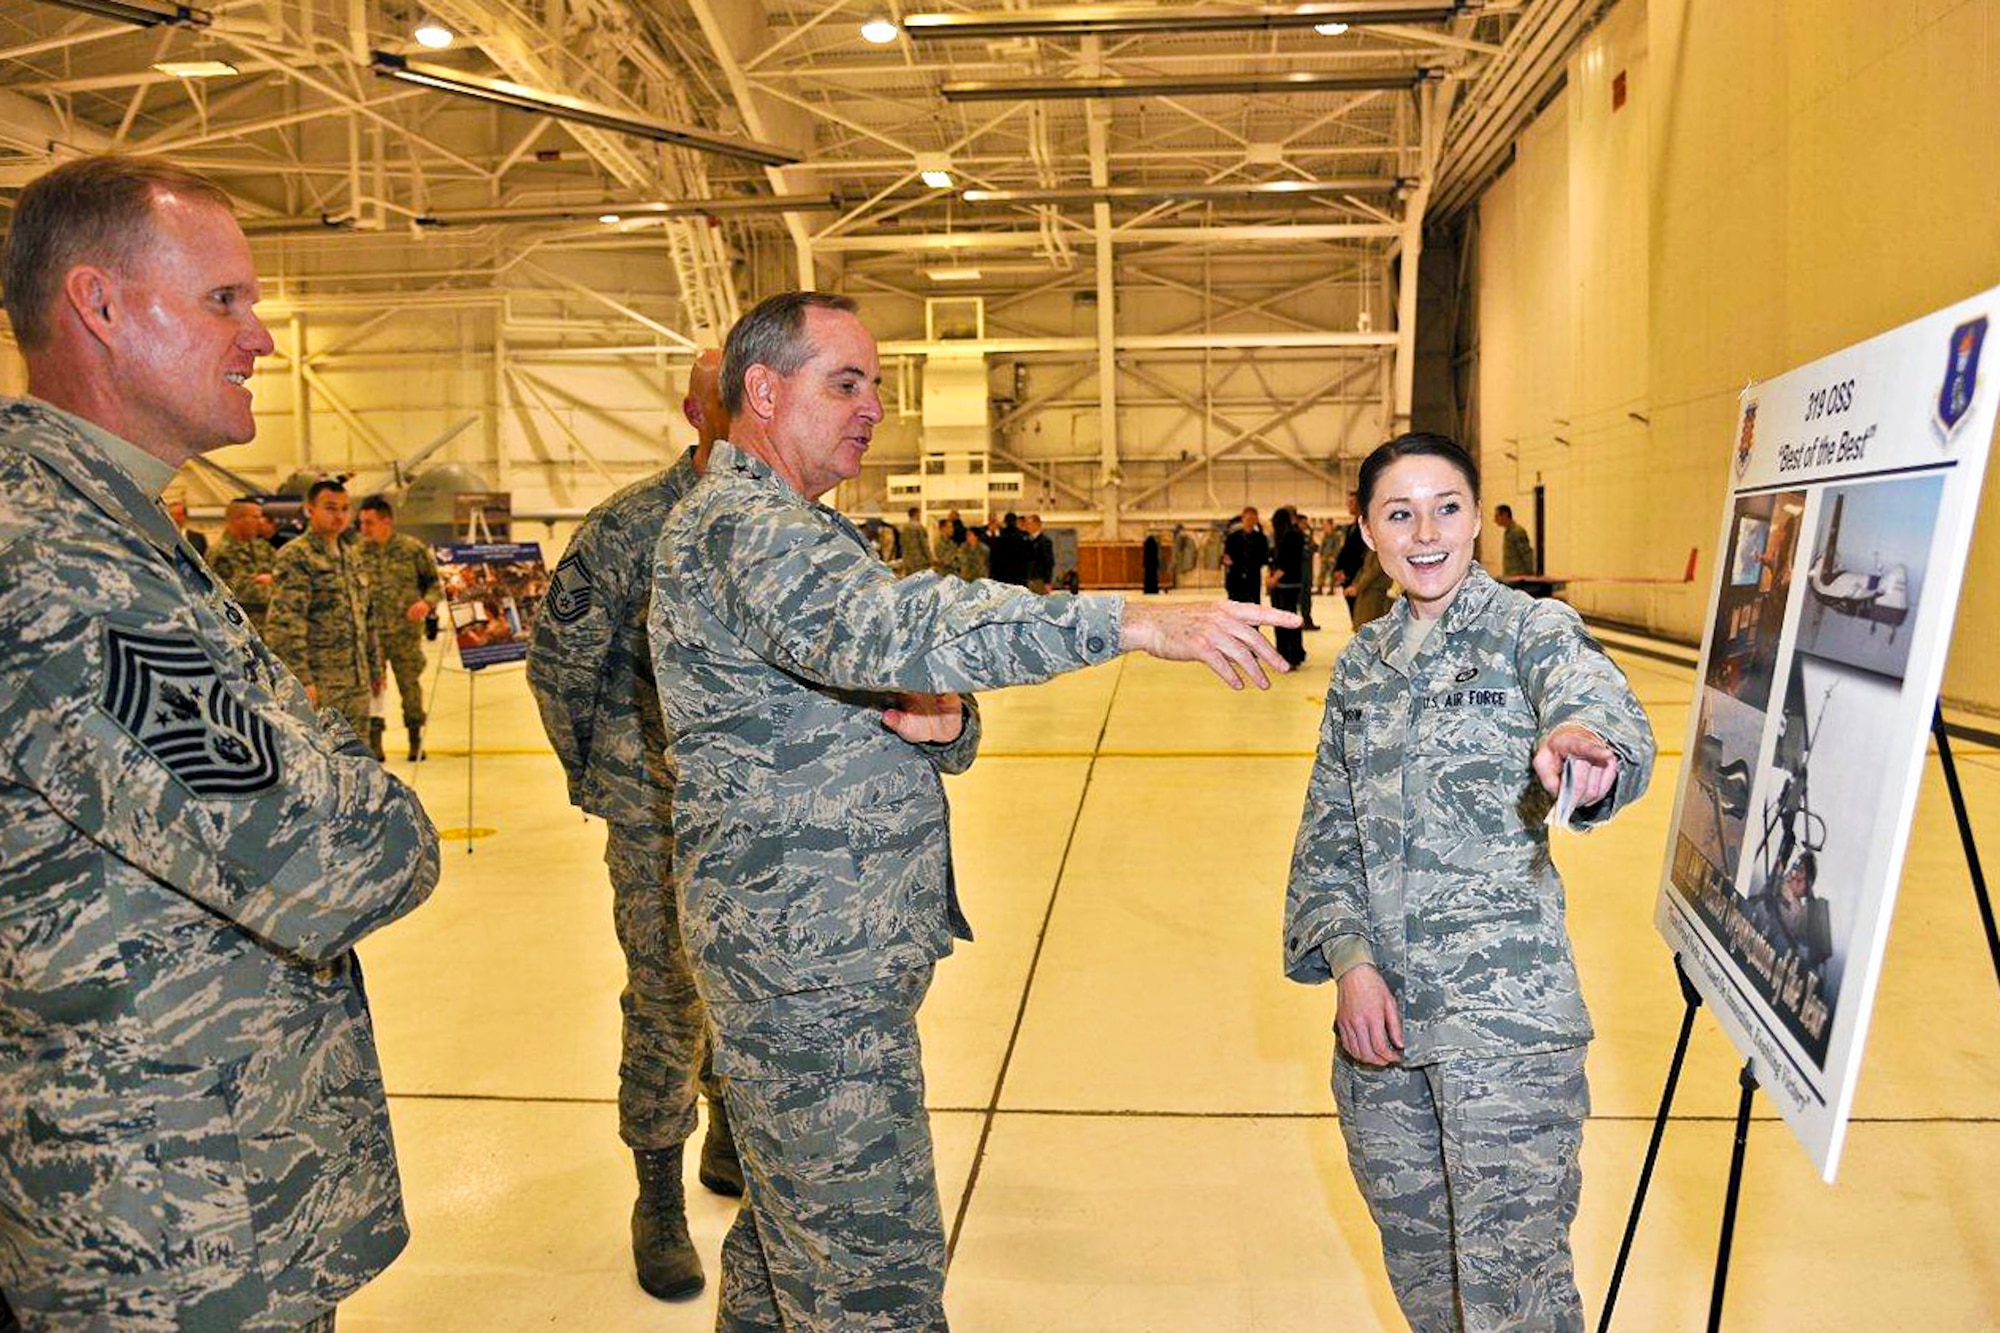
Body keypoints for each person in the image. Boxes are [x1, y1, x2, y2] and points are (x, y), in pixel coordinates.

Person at [649, 290, 1300, 1332]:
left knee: (788, 1249)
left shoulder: (801, 531)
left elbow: (906, 693)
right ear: (762, 391)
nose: (872, 408)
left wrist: (943, 725)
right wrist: (1125, 619)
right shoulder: (743, 529)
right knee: (872, 1284)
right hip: (802, 975)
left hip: (824, 960)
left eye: (877, 386)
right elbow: (902, 626)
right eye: (845, 382)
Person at [0, 153, 438, 1332]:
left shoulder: (106, 523)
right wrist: (376, 801)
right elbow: (346, 856)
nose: (261, 338)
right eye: (224, 301)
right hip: (159, 1221)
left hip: (191, 1182)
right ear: (97, 305)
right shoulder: (57, 559)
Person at [1284, 431, 1655, 1333]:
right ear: (1366, 530)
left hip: (1505, 1034)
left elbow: (1595, 701)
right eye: (1398, 512)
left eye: (1446, 507)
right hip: (1381, 1037)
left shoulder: (1529, 628)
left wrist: (1587, 747)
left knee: (1512, 1297)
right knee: (1427, 1287)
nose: (1425, 532)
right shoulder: (1363, 666)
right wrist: (1350, 962)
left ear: (1478, 518)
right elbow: (1328, 832)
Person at [526, 349, 744, 1301]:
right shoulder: (628, 527)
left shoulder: (797, 528)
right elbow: (560, 664)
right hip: (658, 808)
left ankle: (732, 1121)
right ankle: (657, 1187)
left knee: (750, 971)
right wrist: (610, 774)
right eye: (723, 394)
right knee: (665, 988)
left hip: (763, 811)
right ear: (695, 406)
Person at [266, 478, 383, 739]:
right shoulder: (297, 556)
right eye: (330, 508)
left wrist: (376, 669)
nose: (339, 516)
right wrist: (301, 680)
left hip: (357, 683)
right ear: (310, 509)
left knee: (358, 760)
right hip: (321, 684)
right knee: (322, 763)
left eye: (344, 508)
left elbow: (368, 618)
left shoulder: (352, 556)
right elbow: (285, 624)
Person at [356, 495, 442, 761]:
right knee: (374, 688)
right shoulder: (356, 553)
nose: (364, 529)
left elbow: (435, 584)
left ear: (386, 521)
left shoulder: (411, 549)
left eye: (369, 523)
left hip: (405, 634)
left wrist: (426, 603)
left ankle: (416, 742)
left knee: (410, 687)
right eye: (361, 523)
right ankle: (375, 743)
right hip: (372, 637)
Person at [209, 495, 277, 629]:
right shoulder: (222, 553)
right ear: (237, 519)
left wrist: (271, 580)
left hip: (268, 626)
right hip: (241, 629)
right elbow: (239, 593)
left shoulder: (263, 547)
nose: (261, 522)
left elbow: (287, 575)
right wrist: (275, 584)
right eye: (255, 517)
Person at [1266, 506, 1309, 667]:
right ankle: (1295, 654)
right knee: (1290, 619)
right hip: (1291, 583)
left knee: (1283, 621)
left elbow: (1286, 561)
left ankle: (1287, 655)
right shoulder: (1295, 534)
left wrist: (1273, 578)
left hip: (1284, 584)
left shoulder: (1289, 536)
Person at [1222, 506, 1269, 604]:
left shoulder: (1261, 539)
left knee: (1253, 607)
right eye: (1247, 519)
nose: (1250, 521)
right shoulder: (1232, 538)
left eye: (1253, 519)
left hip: (1253, 578)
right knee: (1235, 607)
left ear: (1256, 520)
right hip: (1235, 578)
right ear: (1242, 519)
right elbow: (1226, 556)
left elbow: (1264, 557)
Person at [1349, 546, 1395, 628]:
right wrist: (1356, 584)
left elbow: (1374, 571)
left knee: (1370, 620)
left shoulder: (1381, 548)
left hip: (1375, 589)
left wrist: (1359, 586)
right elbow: (1365, 568)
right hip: (1369, 588)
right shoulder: (1374, 547)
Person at [1496, 502, 1536, 578]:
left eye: (1497, 516)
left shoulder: (1517, 532)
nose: (1495, 520)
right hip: (1511, 576)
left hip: (1519, 577)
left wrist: (1530, 573)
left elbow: (1526, 554)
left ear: (1505, 515)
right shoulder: (1508, 532)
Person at [896, 505, 931, 578]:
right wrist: (930, 558)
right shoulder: (919, 527)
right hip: (919, 561)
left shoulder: (904, 528)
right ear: (917, 514)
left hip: (908, 560)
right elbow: (924, 544)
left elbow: (901, 544)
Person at [1025, 513, 1055, 593]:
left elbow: (1049, 562)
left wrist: (1047, 581)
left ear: (1037, 524)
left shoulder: (1045, 541)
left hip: (1040, 579)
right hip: (1028, 578)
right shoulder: (1027, 541)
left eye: (1029, 524)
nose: (1027, 526)